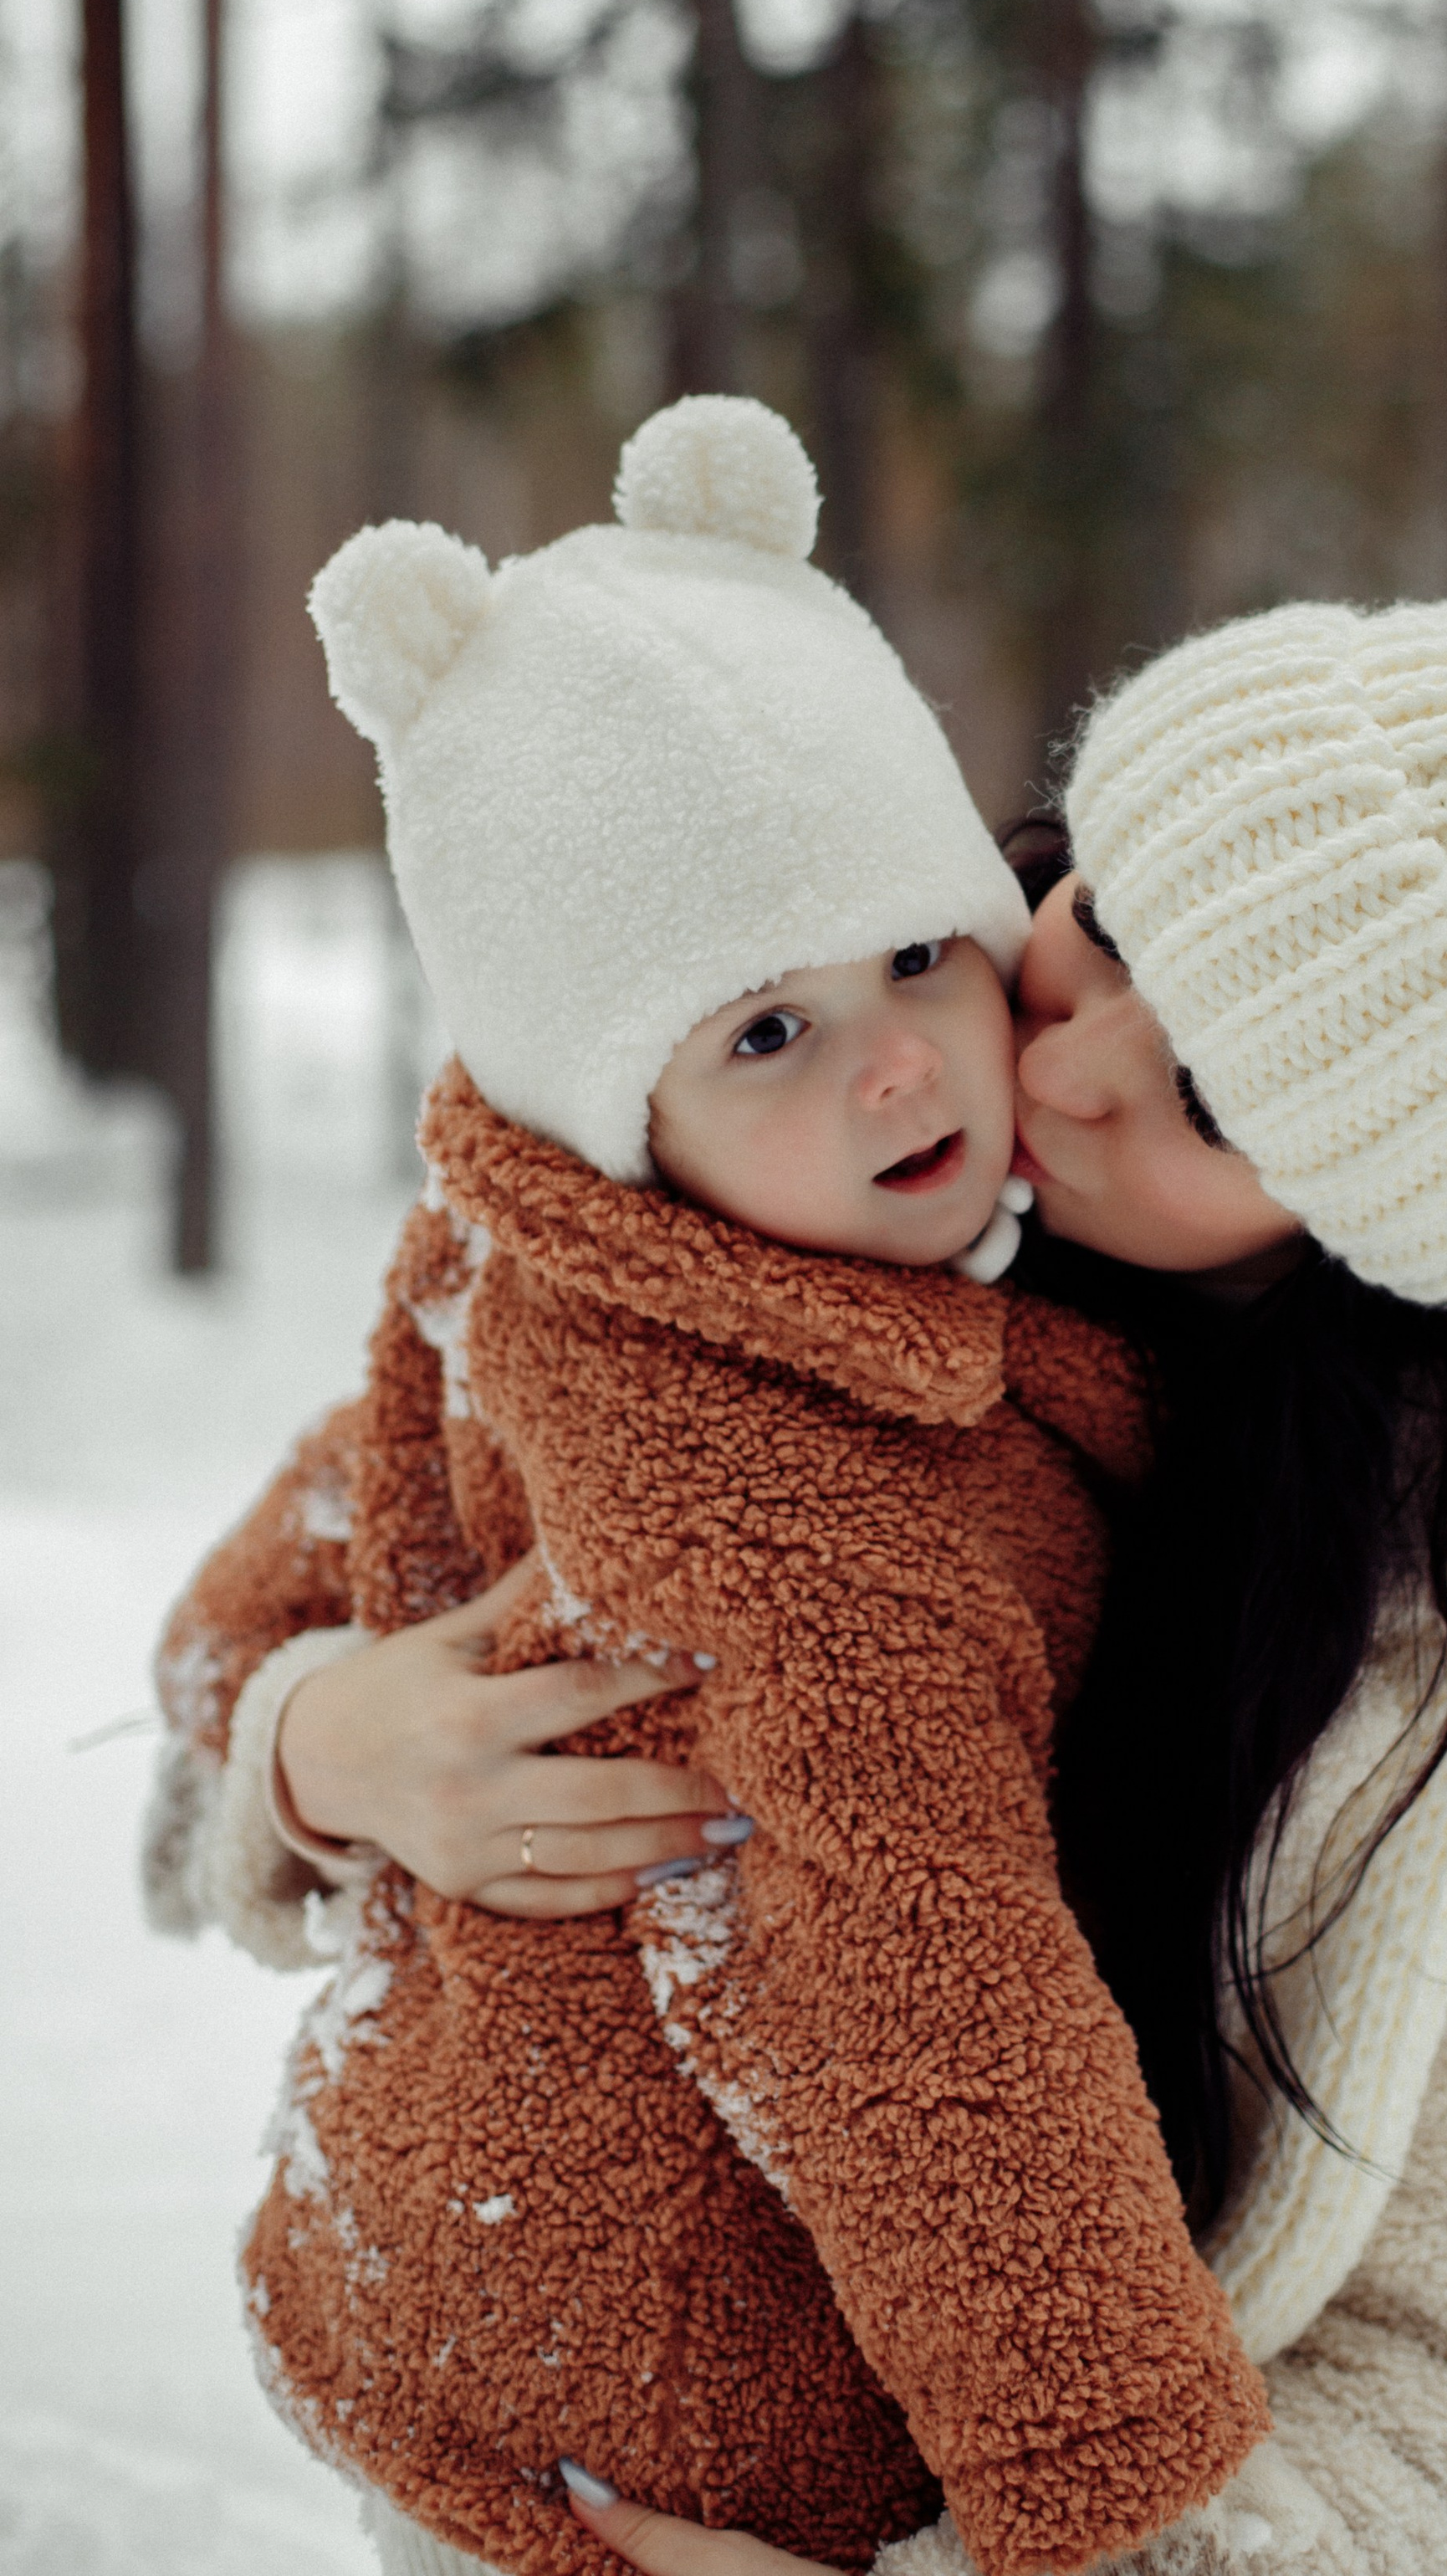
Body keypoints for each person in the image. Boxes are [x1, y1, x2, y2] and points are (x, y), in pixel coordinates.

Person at [149, 573, 1447, 2576]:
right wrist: (330, 1741)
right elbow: (338, 1559)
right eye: (1102, 919)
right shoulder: (784, 1156)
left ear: (1370, 1208)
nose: (1056, 1068)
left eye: (1215, 1098)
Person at [142, 397, 1281, 2576]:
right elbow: (918, 2002)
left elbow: (236, 1605)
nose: (893, 1060)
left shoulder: (526, 1267)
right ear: (615, 1108)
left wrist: (292, 1723)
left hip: (447, 2280)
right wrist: (1108, 2486)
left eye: (923, 957)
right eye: (761, 1031)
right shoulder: (772, 1487)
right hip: (665, 2422)